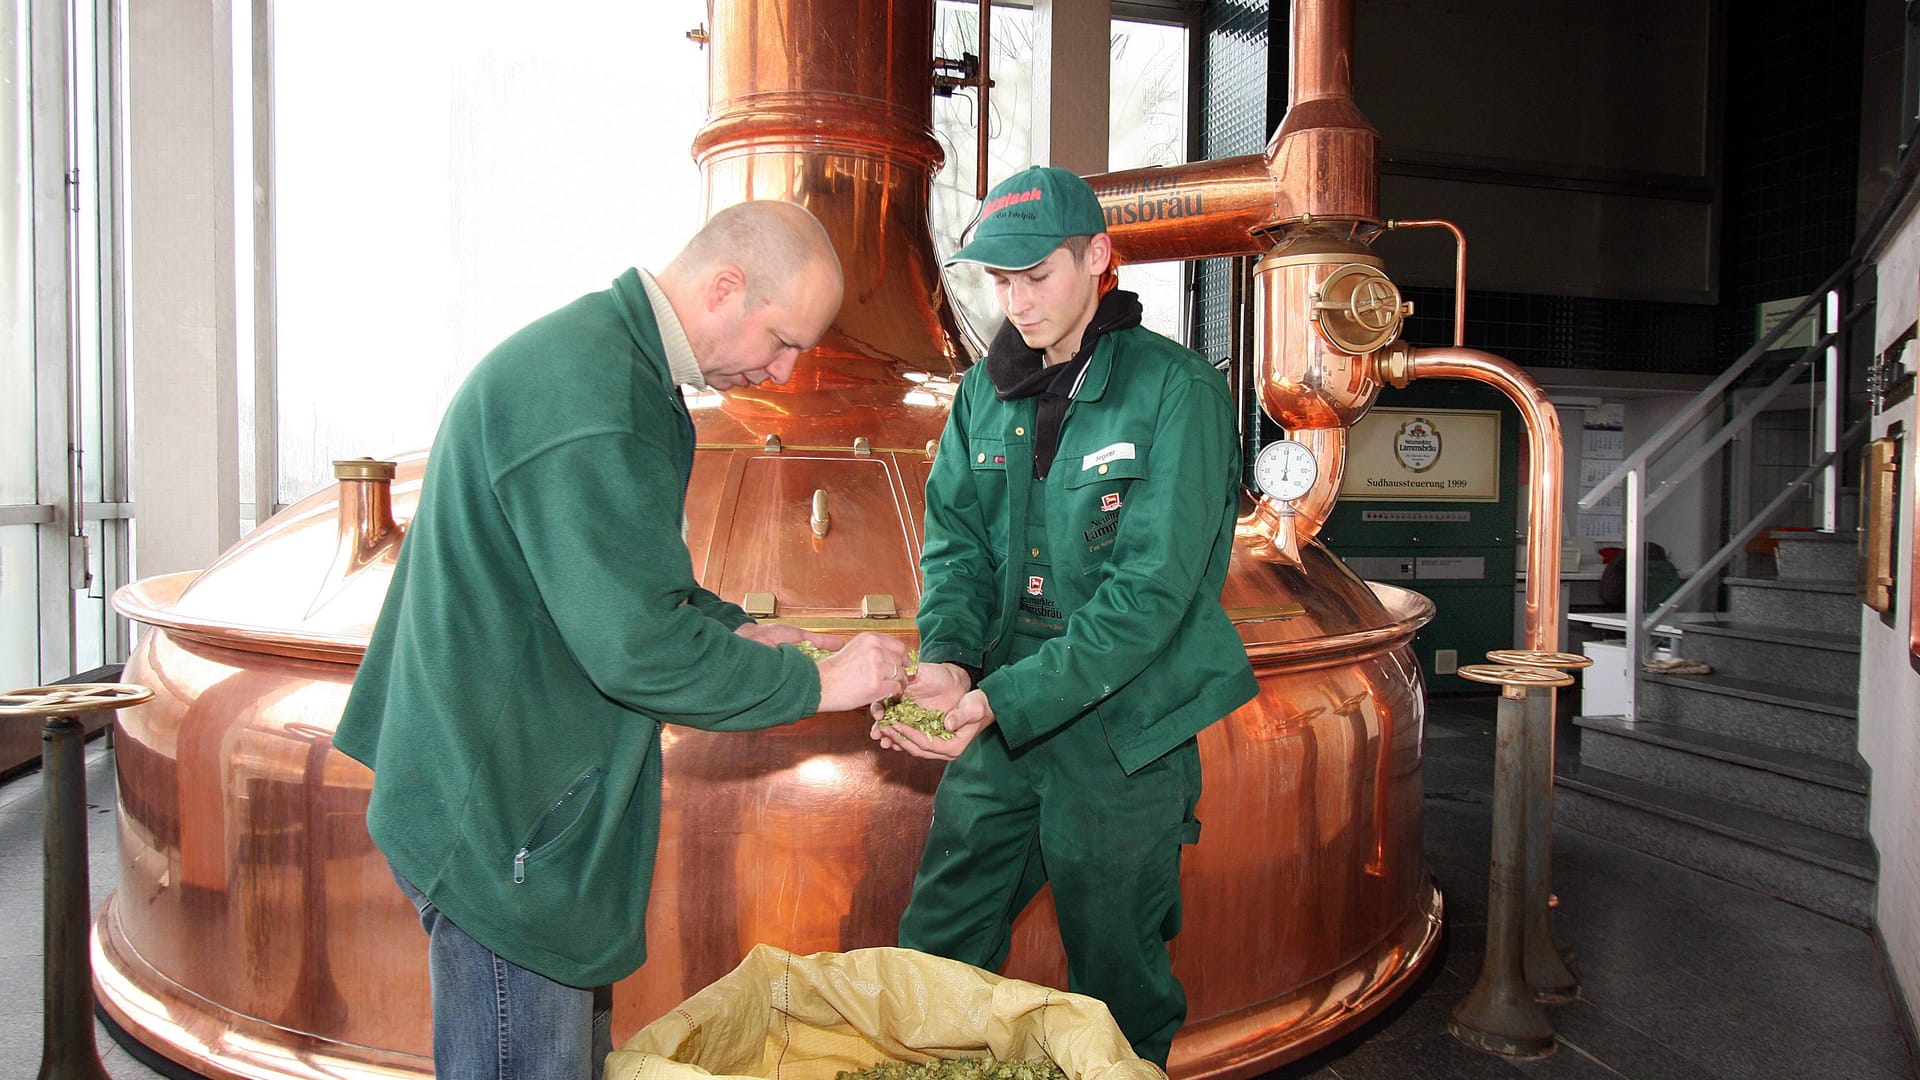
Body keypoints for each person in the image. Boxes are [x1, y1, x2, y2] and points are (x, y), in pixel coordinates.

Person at [334, 200, 912, 1080]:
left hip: (518, 784)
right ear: (726, 287)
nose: (785, 369)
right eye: (784, 338)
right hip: (500, 815)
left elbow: (626, 576)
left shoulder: (620, 370)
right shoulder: (591, 394)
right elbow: (633, 644)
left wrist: (738, 630)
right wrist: (816, 685)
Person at [871, 166, 1257, 1067]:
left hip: (1124, 731)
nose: (1018, 301)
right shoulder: (981, 396)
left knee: (1117, 976)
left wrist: (1000, 699)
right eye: (1001, 282)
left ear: (1097, 258)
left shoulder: (1177, 391)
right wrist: (950, 664)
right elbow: (958, 546)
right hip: (1001, 713)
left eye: (1037, 275)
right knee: (937, 943)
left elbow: (1151, 593)